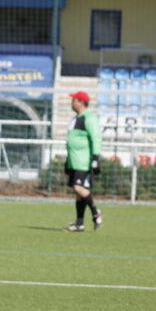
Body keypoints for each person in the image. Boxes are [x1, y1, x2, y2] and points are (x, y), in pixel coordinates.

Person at [64, 91, 102, 232]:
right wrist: (68, 161)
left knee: (78, 188)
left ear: (80, 102)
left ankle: (95, 212)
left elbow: (96, 138)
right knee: (78, 193)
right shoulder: (76, 118)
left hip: (83, 161)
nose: (72, 102)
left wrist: (96, 158)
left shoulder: (89, 118)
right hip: (74, 161)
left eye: (74, 100)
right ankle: (79, 224)